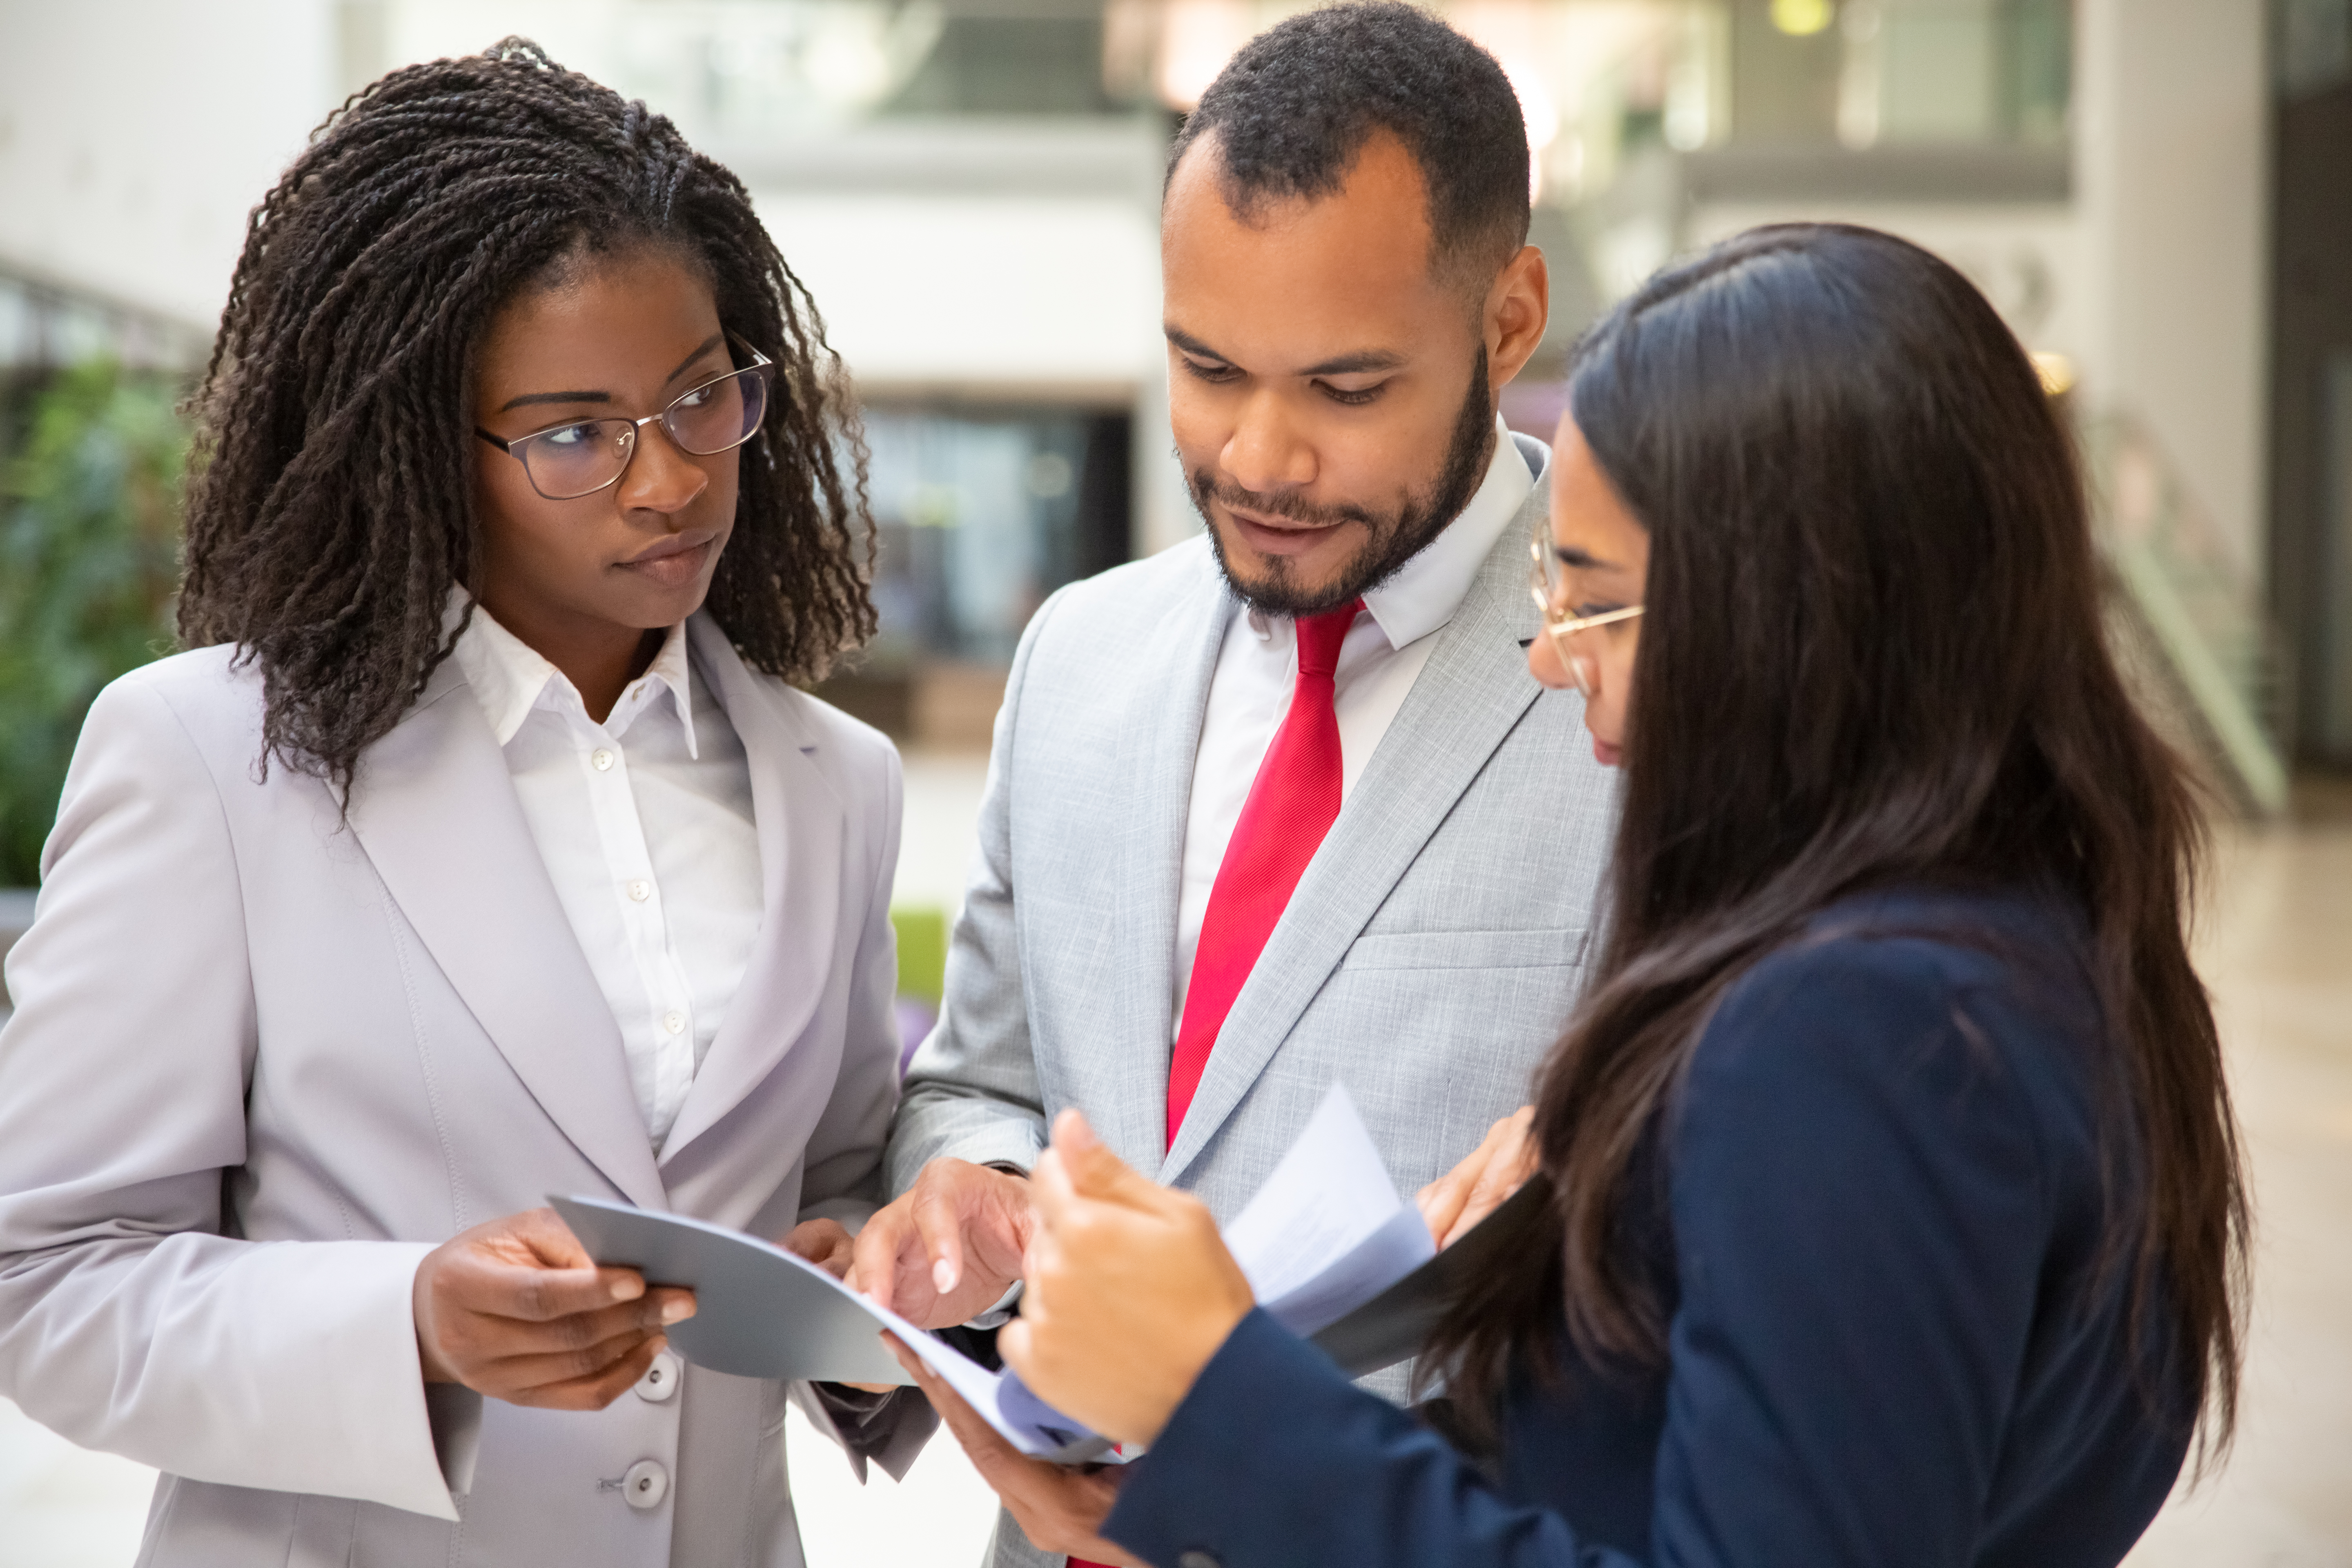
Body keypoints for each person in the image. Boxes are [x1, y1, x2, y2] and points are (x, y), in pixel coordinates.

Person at [918, 223, 2253, 1568]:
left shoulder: (1857, 1033)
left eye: (1599, 604)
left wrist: (1213, 1399)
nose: (1555, 662)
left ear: (1794, 624)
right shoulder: (2040, 938)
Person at [0, 40, 928, 1567]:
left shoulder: (839, 784)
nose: (669, 481)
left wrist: (877, 1287)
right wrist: (409, 1323)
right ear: (425, 444)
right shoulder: (208, 761)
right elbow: (54, 1282)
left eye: (705, 396)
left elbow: (825, 1195)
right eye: (574, 432)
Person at [853, 7, 1618, 1562]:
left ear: (1510, 320)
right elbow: (981, 1073)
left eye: (1346, 390)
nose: (1260, 458)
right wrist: (970, 1191)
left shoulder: (1642, 684)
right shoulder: (1078, 657)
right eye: (1207, 368)